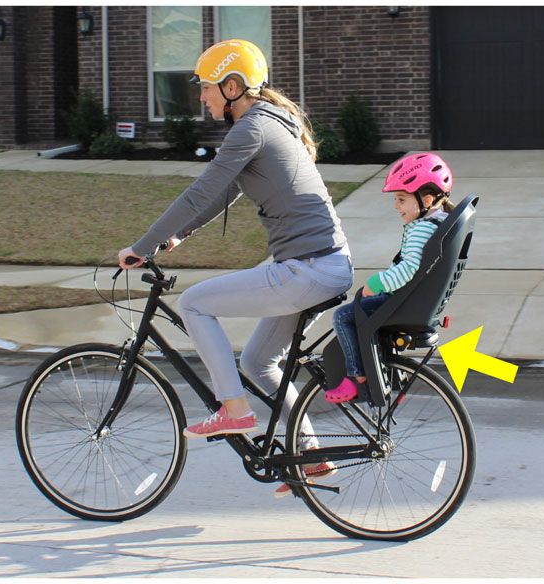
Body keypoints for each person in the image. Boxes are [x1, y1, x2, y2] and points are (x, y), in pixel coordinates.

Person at [117, 39, 354, 497]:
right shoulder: (268, 122)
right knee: (259, 361)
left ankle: (234, 409)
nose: (201, 96)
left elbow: (199, 193)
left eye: (206, 87)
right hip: (324, 265)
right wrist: (173, 237)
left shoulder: (251, 128)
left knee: (194, 304)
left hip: (307, 269)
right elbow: (224, 194)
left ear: (232, 86)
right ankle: (311, 455)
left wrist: (140, 247)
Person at [324, 152, 456, 403]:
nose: (396, 206)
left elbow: (409, 268)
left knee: (344, 316)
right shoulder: (440, 221)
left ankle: (357, 377)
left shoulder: (422, 229)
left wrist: (376, 284)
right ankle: (393, 379)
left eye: (401, 199)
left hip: (404, 302)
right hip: (416, 301)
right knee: (369, 319)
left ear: (427, 199)